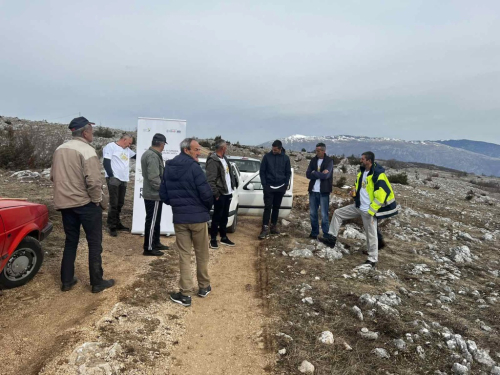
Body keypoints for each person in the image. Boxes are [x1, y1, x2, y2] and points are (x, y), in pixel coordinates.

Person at [51, 116, 115, 293]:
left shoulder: (59, 149)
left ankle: (66, 280)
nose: (92, 134)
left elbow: (53, 176)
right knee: (94, 243)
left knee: (71, 241)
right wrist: (97, 201)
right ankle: (97, 282)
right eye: (91, 131)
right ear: (85, 132)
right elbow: (94, 182)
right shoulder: (87, 150)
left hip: (65, 204)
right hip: (85, 203)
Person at [321, 151, 398, 268]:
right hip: (358, 206)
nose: (360, 160)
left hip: (369, 210)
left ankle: (372, 260)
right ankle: (331, 239)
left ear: (369, 161)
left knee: (371, 234)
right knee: (337, 213)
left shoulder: (378, 174)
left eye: (363, 159)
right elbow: (361, 189)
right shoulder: (362, 173)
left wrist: (372, 211)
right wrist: (354, 194)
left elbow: (382, 195)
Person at [160, 138, 213, 307]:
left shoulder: (169, 167)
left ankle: (185, 294)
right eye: (196, 149)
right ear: (186, 150)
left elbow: (164, 194)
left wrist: (177, 204)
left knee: (184, 256)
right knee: (202, 253)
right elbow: (206, 194)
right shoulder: (194, 168)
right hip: (198, 219)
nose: (199, 152)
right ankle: (204, 287)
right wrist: (205, 208)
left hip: (180, 219)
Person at [103, 134, 136, 237]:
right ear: (124, 139)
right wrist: (111, 176)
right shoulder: (111, 146)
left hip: (124, 179)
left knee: (120, 202)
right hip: (114, 178)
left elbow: (136, 156)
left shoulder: (127, 150)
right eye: (129, 143)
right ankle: (111, 226)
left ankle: (117, 222)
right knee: (114, 202)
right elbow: (106, 162)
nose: (130, 145)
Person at [141, 133, 169, 256]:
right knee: (152, 221)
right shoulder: (152, 156)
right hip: (154, 194)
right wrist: (162, 189)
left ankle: (155, 242)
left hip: (154, 194)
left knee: (155, 220)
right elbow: (154, 178)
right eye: (164, 145)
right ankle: (149, 247)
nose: (164, 147)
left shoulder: (152, 154)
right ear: (161, 144)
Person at [206, 139, 236, 249]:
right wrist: (216, 194)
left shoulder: (224, 159)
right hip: (220, 193)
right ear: (222, 148)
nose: (227, 149)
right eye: (226, 147)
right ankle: (213, 239)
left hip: (228, 192)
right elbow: (210, 180)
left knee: (224, 217)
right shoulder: (213, 161)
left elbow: (228, 175)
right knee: (217, 217)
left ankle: (223, 237)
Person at [258, 140, 291, 239]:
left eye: (275, 150)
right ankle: (264, 228)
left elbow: (288, 172)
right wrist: (264, 184)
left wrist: (285, 185)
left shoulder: (286, 158)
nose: (273, 151)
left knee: (276, 207)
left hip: (280, 187)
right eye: (272, 149)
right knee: (268, 207)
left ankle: (273, 226)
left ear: (280, 149)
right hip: (269, 186)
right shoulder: (267, 157)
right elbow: (262, 171)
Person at [306, 142, 334, 240]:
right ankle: (314, 233)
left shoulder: (329, 161)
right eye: (316, 150)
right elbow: (308, 174)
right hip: (313, 191)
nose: (316, 152)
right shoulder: (313, 160)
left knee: (324, 214)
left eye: (318, 151)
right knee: (313, 213)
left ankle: (326, 234)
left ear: (323, 151)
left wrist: (314, 172)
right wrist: (318, 173)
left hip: (324, 191)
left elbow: (326, 176)